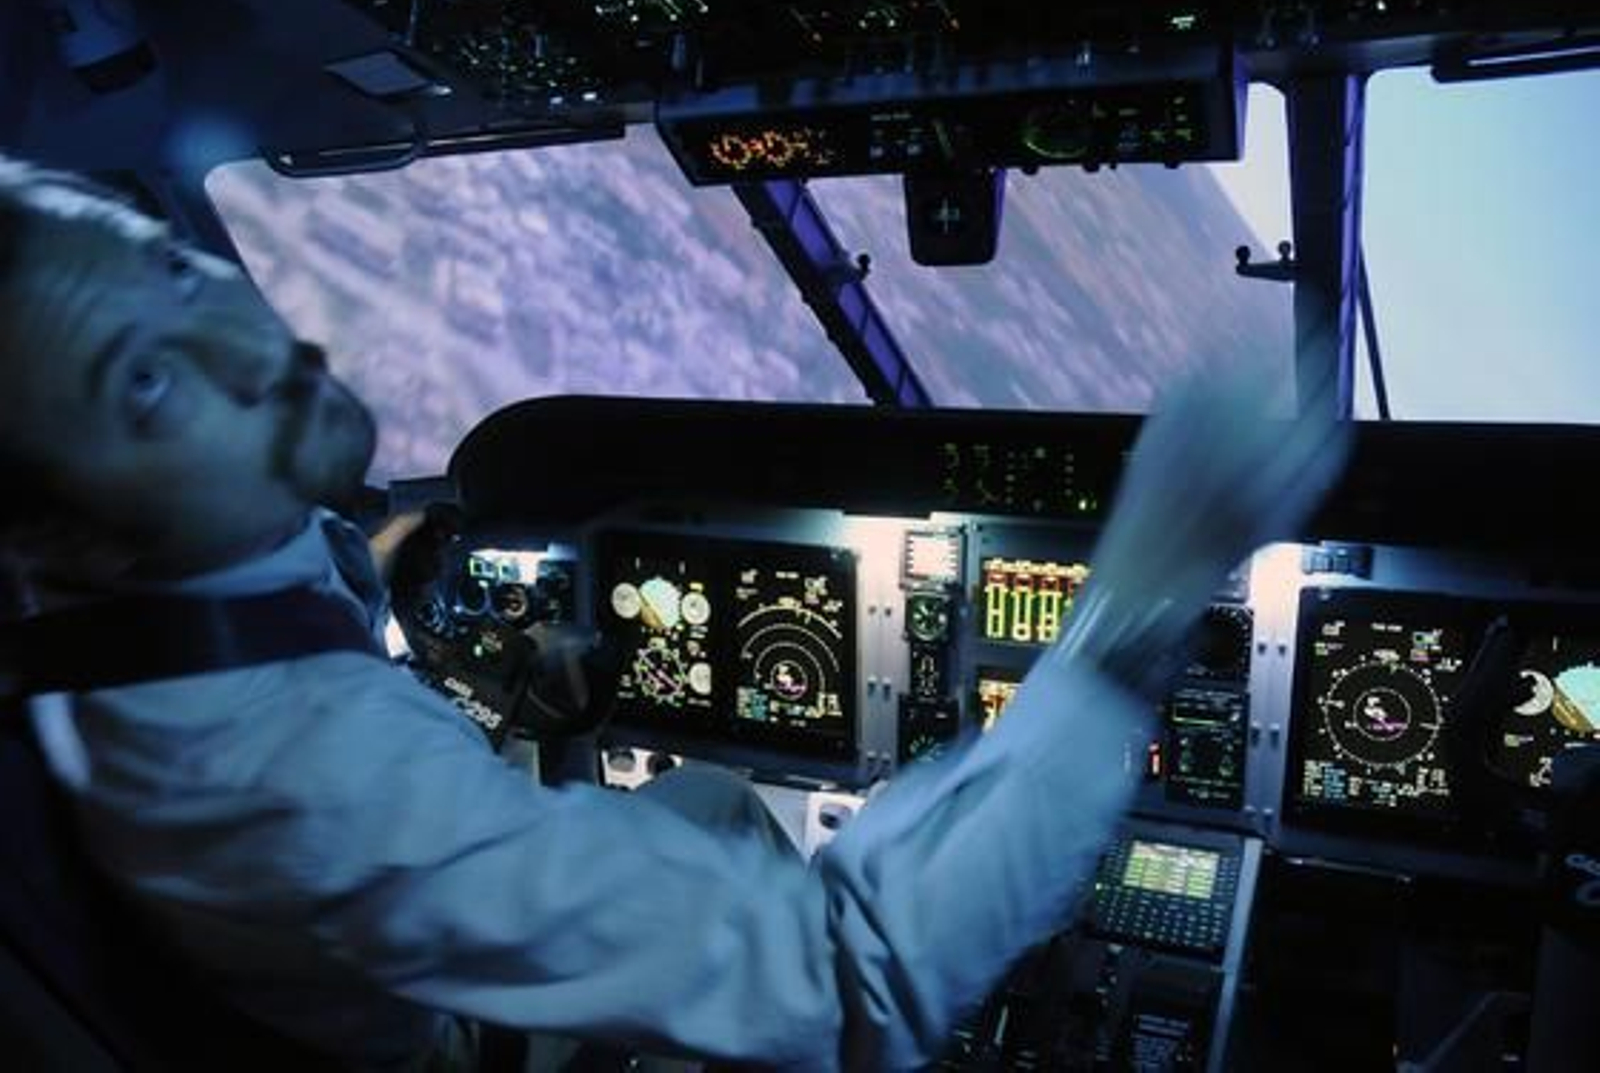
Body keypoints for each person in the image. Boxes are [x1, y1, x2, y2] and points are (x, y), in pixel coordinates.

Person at [0, 154, 1349, 1071]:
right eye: (146, 388)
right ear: (53, 528)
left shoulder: (129, 599)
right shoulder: (298, 773)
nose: (248, 346)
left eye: (176, 269)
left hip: (309, 958)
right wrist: (1138, 604)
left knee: (707, 799)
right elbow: (848, 983)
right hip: (429, 1043)